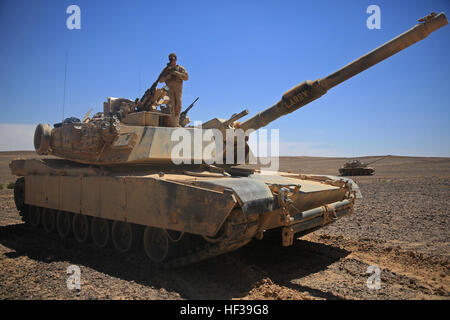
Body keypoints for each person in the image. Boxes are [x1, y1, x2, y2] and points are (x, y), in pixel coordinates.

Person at [158, 53, 189, 127]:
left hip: (178, 90)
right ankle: (171, 123)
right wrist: (167, 77)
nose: (172, 60)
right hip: (169, 89)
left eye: (173, 59)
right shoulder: (166, 69)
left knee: (178, 105)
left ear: (176, 59)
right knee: (171, 105)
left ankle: (176, 122)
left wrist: (176, 73)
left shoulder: (180, 68)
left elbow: (186, 77)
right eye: (170, 59)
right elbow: (160, 80)